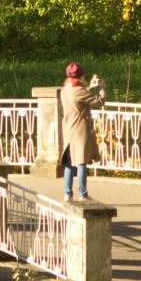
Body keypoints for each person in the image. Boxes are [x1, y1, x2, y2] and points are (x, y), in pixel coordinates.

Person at [57, 61, 105, 202]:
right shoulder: (79, 90)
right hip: (80, 130)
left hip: (68, 129)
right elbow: (100, 101)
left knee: (69, 163)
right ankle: (83, 195)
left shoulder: (64, 90)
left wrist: (89, 87)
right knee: (81, 161)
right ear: (80, 76)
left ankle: (67, 194)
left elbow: (79, 96)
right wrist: (102, 88)